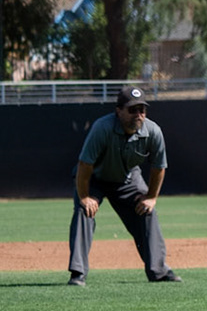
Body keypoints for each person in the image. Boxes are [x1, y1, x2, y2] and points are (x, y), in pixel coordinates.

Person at [69, 85, 181, 285]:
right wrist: (85, 197)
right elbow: (85, 165)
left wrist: (151, 198)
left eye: (142, 110)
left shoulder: (153, 131)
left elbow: (158, 167)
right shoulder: (102, 128)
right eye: (132, 109)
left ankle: (159, 271)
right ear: (118, 111)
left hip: (127, 179)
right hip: (95, 178)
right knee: (84, 211)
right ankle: (78, 273)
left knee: (147, 211)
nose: (138, 114)